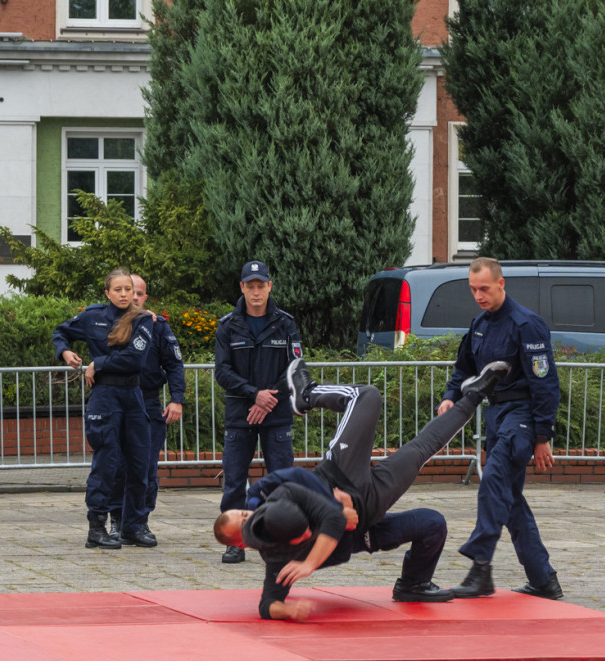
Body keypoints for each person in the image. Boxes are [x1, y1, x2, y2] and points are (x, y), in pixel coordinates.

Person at [214, 357, 511, 620]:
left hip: (340, 474)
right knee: (429, 496)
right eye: (242, 521)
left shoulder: (268, 498)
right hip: (367, 514)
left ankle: (306, 394)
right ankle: (473, 396)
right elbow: (268, 605)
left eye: (240, 512)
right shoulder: (275, 556)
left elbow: (303, 483)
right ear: (241, 544)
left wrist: (335, 513)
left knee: (366, 396)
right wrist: (288, 609)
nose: (246, 514)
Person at [437, 257, 563, 600]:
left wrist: (542, 438)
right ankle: (543, 580)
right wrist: (450, 396)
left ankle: (480, 566)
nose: (479, 295)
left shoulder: (527, 324)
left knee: (493, 478)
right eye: (473, 289)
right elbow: (463, 368)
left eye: (485, 289)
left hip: (521, 416)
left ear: (501, 284)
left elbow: (545, 383)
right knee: (508, 500)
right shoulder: (479, 324)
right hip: (497, 416)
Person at [52, 268, 156, 550]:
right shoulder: (92, 316)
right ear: (107, 293)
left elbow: (134, 358)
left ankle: (131, 527)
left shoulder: (144, 320)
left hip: (133, 395)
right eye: (119, 290)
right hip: (104, 395)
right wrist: (64, 351)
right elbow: (60, 331)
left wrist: (99, 363)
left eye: (129, 289)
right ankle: (96, 528)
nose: (125, 294)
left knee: (138, 463)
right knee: (106, 462)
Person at [214, 260, 303, 564]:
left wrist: (267, 400)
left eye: (260, 285)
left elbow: (294, 367)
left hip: (275, 414)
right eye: (249, 286)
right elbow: (222, 371)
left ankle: (277, 539)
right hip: (241, 415)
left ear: (269, 286)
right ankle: (235, 541)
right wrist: (255, 395)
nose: (255, 292)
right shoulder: (227, 326)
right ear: (242, 288)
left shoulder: (286, 323)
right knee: (235, 481)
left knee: (279, 480)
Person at [107, 274, 186, 540]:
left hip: (149, 403)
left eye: (139, 293)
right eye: (130, 292)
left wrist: (176, 399)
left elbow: (174, 363)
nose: (134, 298)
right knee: (117, 466)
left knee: (146, 469)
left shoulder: (158, 326)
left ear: (145, 297)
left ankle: (139, 522)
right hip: (117, 401)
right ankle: (117, 520)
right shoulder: (107, 322)